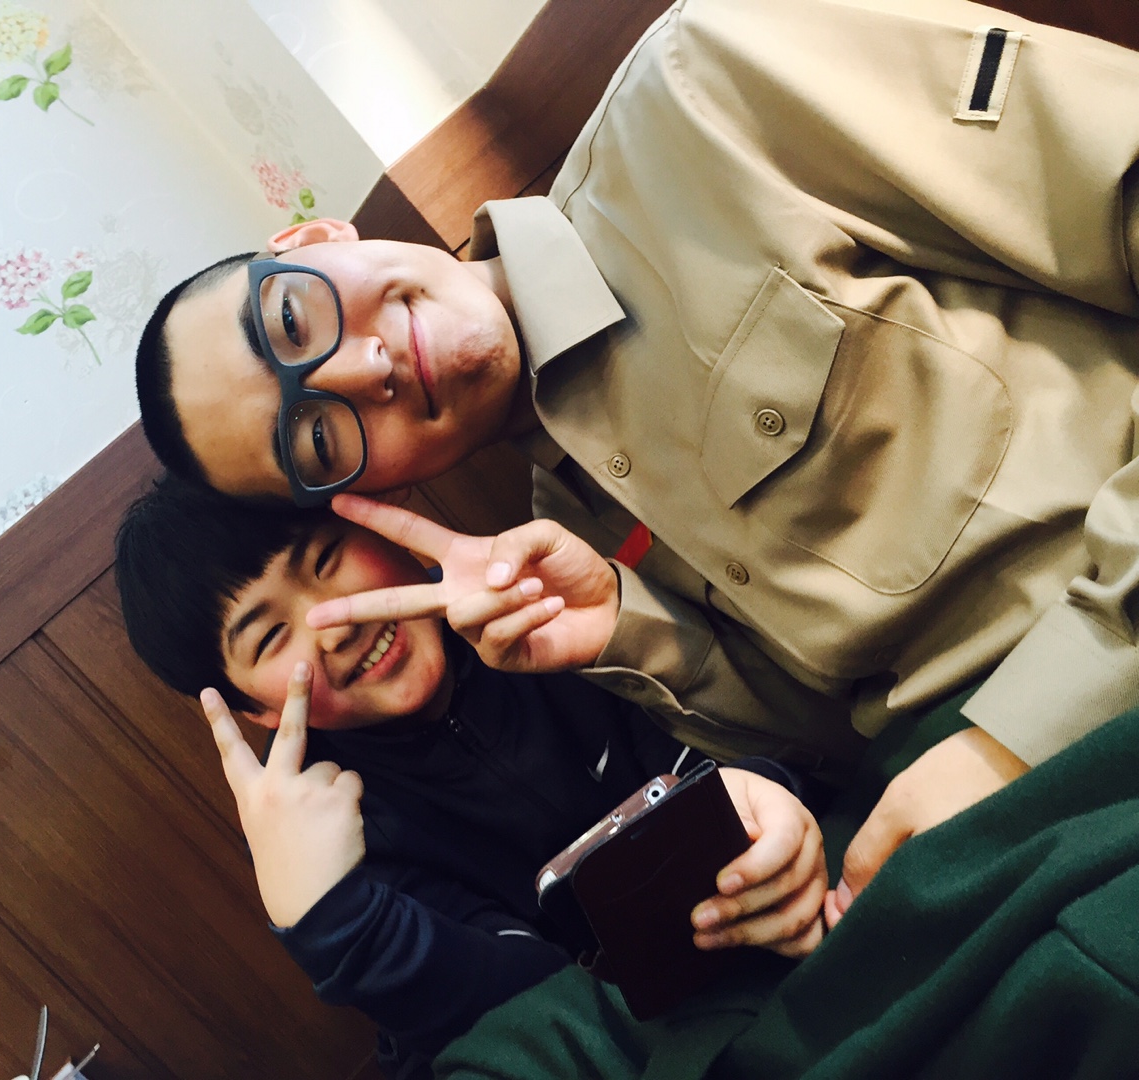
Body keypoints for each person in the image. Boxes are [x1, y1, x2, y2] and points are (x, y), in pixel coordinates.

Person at [133, 0, 1139, 917]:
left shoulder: (704, 92)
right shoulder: (569, 538)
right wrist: (628, 626)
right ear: (366, 481)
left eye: (294, 319)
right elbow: (834, 744)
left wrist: (1008, 742)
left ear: (314, 237)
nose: (366, 367)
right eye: (317, 434)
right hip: (995, 835)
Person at [112, 477, 828, 1075]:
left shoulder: (527, 597)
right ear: (255, 709)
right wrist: (337, 924)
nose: (335, 625)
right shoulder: (317, 823)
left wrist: (770, 793)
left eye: (326, 558)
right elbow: (534, 1012)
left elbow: (730, 755)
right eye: (271, 635)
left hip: (762, 937)